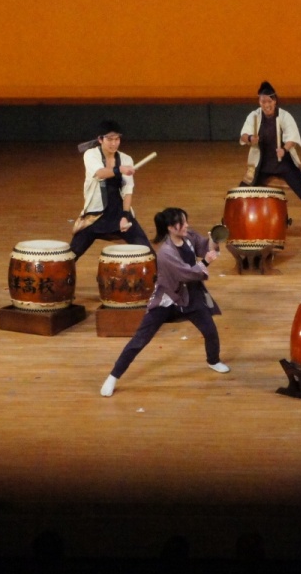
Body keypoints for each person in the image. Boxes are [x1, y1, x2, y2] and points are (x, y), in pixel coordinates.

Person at [100, 208, 228, 397]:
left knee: (210, 330)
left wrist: (214, 239)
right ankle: (113, 376)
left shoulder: (188, 236)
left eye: (185, 221)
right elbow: (187, 273)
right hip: (167, 299)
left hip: (190, 295)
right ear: (170, 227)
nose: (186, 225)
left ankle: (213, 360)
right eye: (182, 223)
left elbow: (203, 246)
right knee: (140, 339)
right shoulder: (166, 253)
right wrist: (206, 262)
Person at [239, 81, 301, 240]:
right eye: (263, 101)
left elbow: (292, 138)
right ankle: (234, 226)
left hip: (284, 165)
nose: (266, 105)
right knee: (241, 193)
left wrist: (284, 149)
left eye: (269, 101)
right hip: (261, 166)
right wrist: (251, 138)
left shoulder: (284, 116)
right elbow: (243, 136)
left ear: (274, 101)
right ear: (259, 102)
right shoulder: (254, 116)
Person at [70, 121, 152, 259]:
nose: (114, 143)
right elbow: (100, 173)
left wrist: (125, 216)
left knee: (147, 253)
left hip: (119, 214)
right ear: (100, 139)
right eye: (109, 139)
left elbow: (128, 191)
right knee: (70, 256)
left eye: (117, 139)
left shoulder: (126, 159)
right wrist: (120, 169)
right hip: (95, 216)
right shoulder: (91, 154)